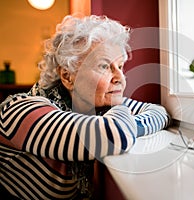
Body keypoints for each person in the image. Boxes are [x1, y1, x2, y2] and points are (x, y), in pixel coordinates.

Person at [0, 14, 171, 199]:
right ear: (67, 77)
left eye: (120, 66)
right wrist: (121, 123)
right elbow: (117, 136)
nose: (120, 77)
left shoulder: (96, 107)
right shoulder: (19, 111)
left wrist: (125, 122)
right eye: (104, 66)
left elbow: (159, 112)